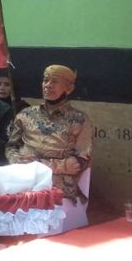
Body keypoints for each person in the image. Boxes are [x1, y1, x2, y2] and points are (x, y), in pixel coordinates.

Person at [6, 64, 93, 233]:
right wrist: (17, 162)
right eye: (45, 81)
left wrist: (38, 165)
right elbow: (11, 146)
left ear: (69, 88)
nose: (48, 85)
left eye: (55, 82)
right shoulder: (26, 115)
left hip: (57, 187)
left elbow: (79, 162)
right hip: (22, 182)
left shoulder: (80, 121)